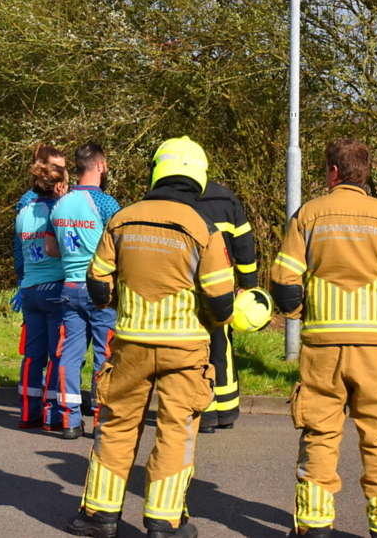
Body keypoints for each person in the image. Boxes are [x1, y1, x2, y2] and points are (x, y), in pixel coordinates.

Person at [66, 137, 235, 538]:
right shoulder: (204, 228)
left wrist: (121, 304)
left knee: (116, 426)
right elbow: (220, 301)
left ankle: (99, 516)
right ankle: (164, 522)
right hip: (185, 350)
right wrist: (209, 322)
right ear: (198, 176)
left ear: (157, 171)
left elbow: (98, 284)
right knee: (176, 432)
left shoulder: (122, 219)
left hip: (131, 345)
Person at [271, 138, 377, 538]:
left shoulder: (309, 214)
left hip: (322, 346)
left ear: (334, 172)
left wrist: (303, 316)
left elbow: (284, 283)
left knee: (319, 435)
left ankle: (314, 526)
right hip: (376, 348)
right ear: (366, 172)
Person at [49, 143, 120, 438]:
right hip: (100, 287)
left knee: (69, 353)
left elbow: (51, 248)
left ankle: (70, 420)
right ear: (100, 165)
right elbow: (120, 247)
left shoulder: (59, 204)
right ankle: (101, 418)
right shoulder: (106, 204)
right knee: (105, 354)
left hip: (69, 286)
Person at [193, 179, 259, 433]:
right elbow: (244, 243)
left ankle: (206, 414)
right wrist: (248, 283)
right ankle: (226, 412)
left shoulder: (172, 197)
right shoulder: (225, 197)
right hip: (223, 284)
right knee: (222, 347)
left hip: (189, 287)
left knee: (197, 349)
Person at [14, 160, 69, 429]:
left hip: (29, 288)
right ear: (58, 186)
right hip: (54, 286)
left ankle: (27, 412)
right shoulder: (57, 211)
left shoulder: (23, 212)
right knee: (57, 354)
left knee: (32, 355)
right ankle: (52, 415)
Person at [12, 144, 66, 312]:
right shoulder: (29, 202)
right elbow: (19, 244)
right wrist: (22, 277)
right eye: (56, 168)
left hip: (33, 285)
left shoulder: (56, 202)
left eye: (63, 168)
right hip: (48, 280)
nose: (61, 172)